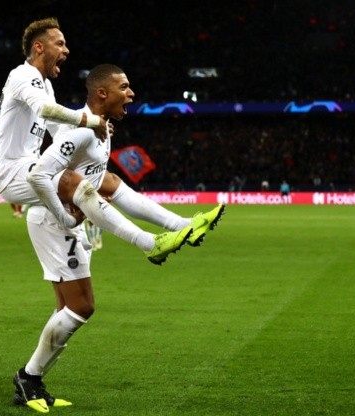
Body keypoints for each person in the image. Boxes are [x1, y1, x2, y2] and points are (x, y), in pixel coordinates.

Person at [14, 64, 225, 413]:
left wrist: (182, 226)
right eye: (124, 88)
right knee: (82, 306)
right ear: (102, 93)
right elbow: (43, 174)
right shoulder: (79, 132)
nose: (131, 94)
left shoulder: (103, 130)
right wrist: (63, 216)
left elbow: (113, 187)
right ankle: (28, 376)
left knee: (68, 308)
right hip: (55, 222)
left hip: (76, 222)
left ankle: (32, 382)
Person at [0, 17, 188, 267]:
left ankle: (176, 224)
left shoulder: (46, 86)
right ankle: (148, 243)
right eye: (60, 44)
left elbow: (58, 130)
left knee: (105, 179)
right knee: (74, 181)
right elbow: (45, 110)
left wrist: (93, 129)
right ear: (39, 47)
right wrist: (90, 120)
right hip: (11, 172)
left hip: (29, 165)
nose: (66, 50)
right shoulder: (22, 75)